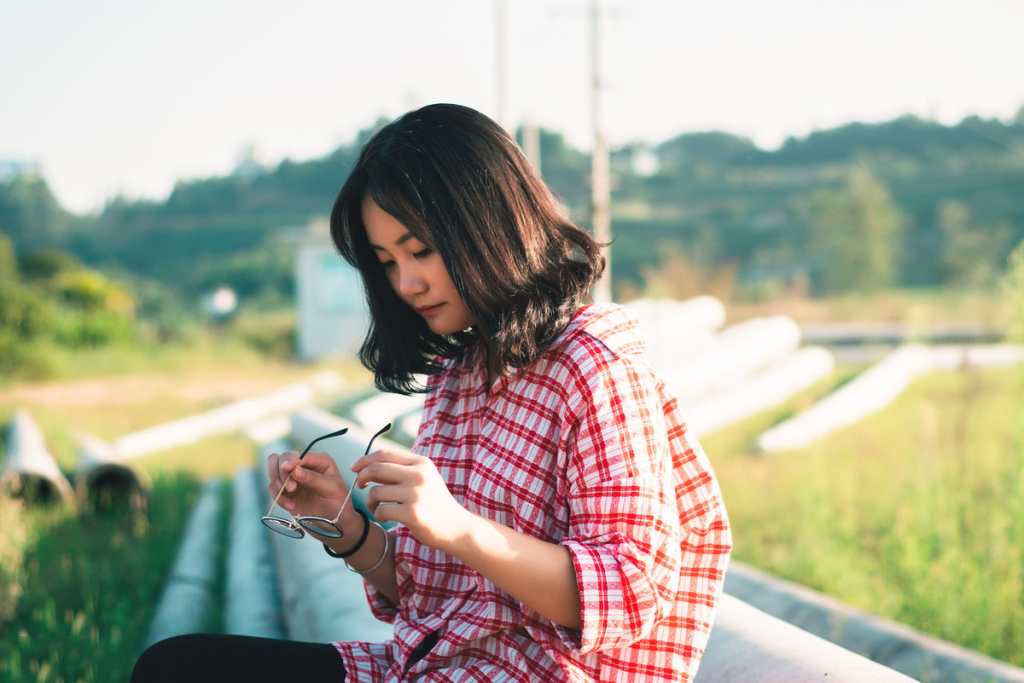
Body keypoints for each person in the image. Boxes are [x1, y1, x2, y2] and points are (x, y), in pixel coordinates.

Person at [132, 103, 731, 683]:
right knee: (175, 666)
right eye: (387, 261)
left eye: (421, 251)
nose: (407, 282)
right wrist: (343, 525)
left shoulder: (594, 368)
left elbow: (630, 591)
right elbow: (442, 597)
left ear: (489, 225)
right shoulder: (462, 369)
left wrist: (457, 526)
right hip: (440, 668)